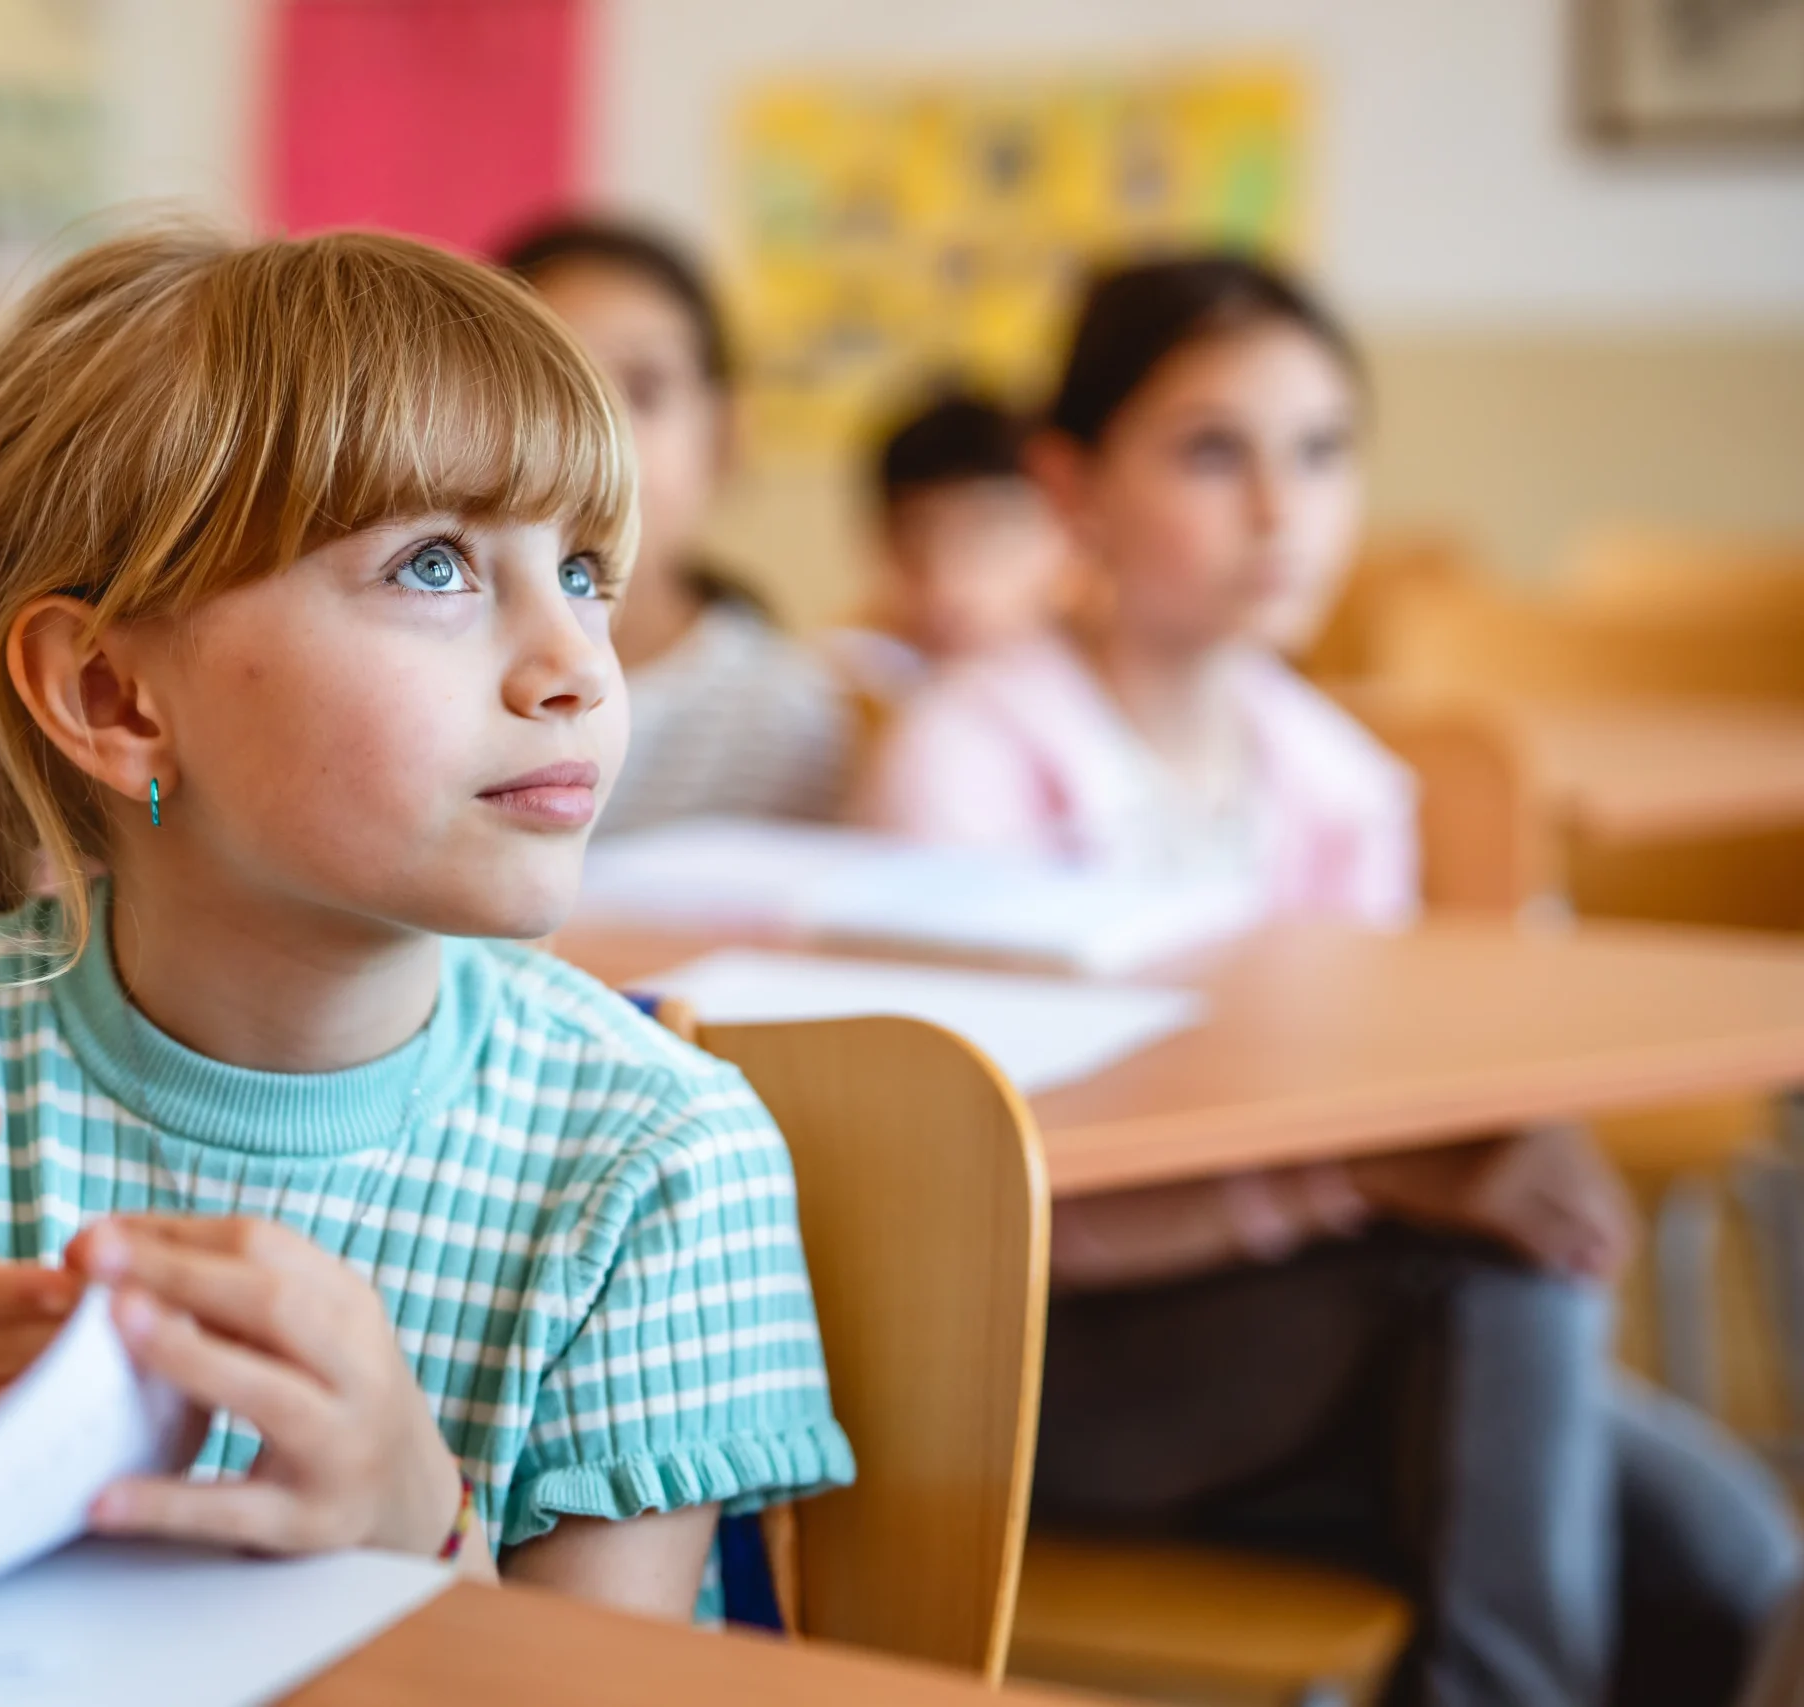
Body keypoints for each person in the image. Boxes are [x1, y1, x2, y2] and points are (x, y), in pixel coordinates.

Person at [0, 226, 853, 1618]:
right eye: (435, 565)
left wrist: (411, 1523)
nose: (576, 664)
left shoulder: (660, 1162)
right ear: (112, 696)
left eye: (581, 571)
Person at [873, 253, 1797, 1706]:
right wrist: (1374, 1176)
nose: (1279, 508)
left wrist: (1479, 1137)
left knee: (1733, 1558)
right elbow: (959, 1190)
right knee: (1504, 1280)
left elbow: (1399, 1099)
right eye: (1212, 451)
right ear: (1072, 486)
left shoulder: (1340, 779)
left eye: (1321, 452)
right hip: (1033, 1367)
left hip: (1333, 1334)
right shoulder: (969, 759)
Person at [500, 216, 850, 835]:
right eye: (550, 387)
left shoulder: (784, 717)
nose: (597, 436)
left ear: (724, 436)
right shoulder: (436, 671)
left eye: (643, 388)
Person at [828, 385, 1071, 706]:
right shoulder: (846, 688)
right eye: (913, 544)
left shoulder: (1112, 686)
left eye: (984, 538)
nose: (945, 584)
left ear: (1066, 534)